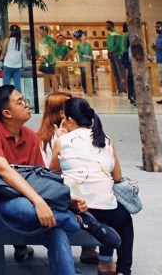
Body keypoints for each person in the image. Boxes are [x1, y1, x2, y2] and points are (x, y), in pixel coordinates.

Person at [0, 85, 121, 275]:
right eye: (20, 102)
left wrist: (68, 201)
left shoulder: (30, 136)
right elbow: (4, 171)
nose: (26, 104)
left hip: (27, 202)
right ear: (7, 113)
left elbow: (41, 178)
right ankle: (78, 221)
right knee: (29, 209)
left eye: (25, 100)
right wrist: (39, 202)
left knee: (55, 229)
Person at [50, 97, 134, 275]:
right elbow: (117, 177)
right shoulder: (106, 140)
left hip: (75, 208)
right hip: (106, 210)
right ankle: (123, 270)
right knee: (125, 220)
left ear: (70, 120)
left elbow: (52, 173)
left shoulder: (62, 141)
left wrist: (61, 138)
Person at [38, 91, 99, 266]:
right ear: (61, 114)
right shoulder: (52, 139)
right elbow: (51, 171)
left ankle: (89, 248)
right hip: (58, 191)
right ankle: (91, 250)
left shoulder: (43, 136)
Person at [1, 24, 25, 92]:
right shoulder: (21, 41)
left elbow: (3, 52)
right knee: (17, 85)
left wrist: (2, 58)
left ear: (10, 32)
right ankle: (19, 100)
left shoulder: (7, 40)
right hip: (17, 66)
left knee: (5, 85)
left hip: (8, 65)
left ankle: (5, 100)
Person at [104, 21, 126, 94]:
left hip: (117, 54)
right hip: (111, 55)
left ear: (111, 25)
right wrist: (108, 51)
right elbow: (107, 44)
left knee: (120, 72)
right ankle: (119, 89)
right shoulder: (109, 34)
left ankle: (124, 89)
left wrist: (112, 51)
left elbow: (118, 44)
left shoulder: (117, 33)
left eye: (107, 25)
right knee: (115, 72)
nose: (106, 26)